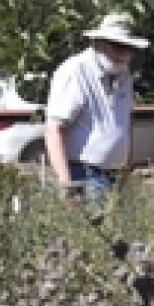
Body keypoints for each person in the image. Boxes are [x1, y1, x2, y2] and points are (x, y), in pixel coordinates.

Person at [44, 13, 147, 204]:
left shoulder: (124, 75)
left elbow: (125, 123)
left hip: (115, 177)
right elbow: (54, 129)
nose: (124, 53)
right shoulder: (75, 71)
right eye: (117, 46)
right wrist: (66, 184)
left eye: (129, 48)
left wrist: (126, 170)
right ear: (98, 43)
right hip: (84, 174)